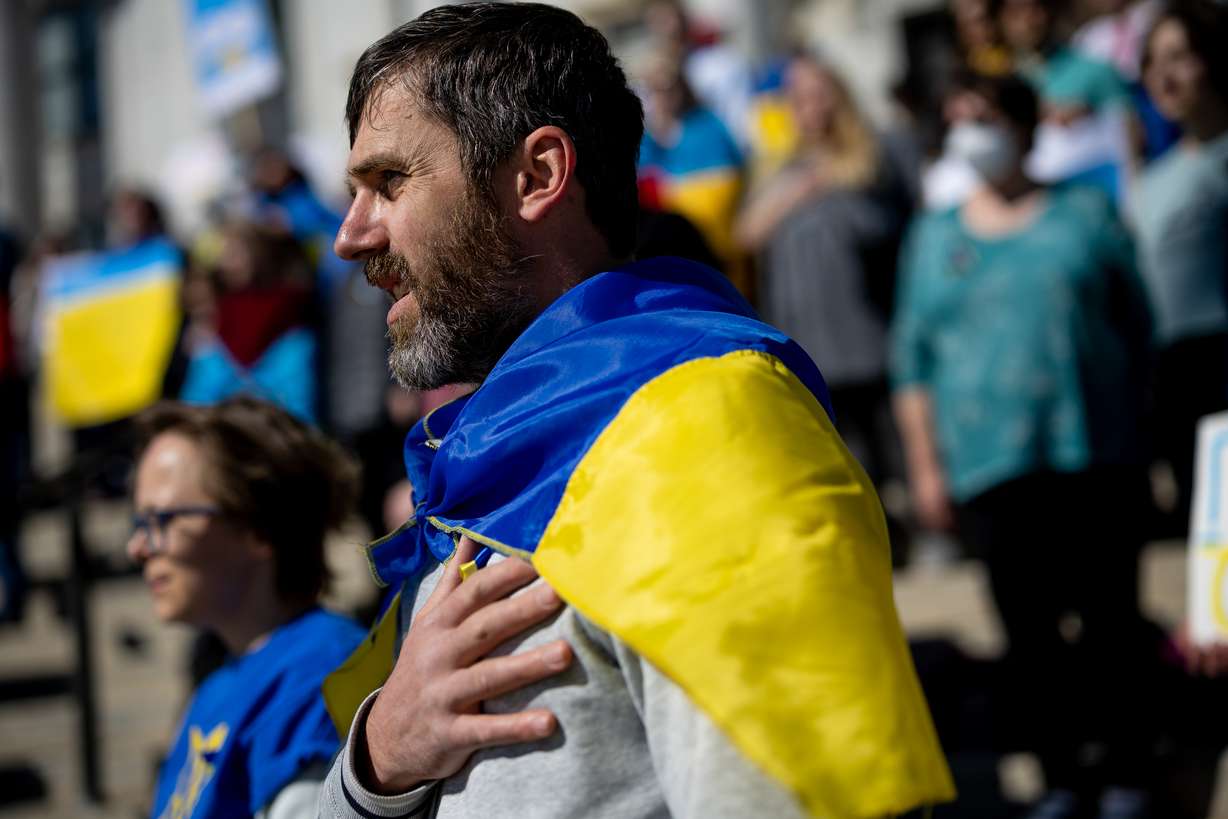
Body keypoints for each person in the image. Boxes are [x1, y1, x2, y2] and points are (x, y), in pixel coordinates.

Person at [318, 4, 954, 818]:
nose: (349, 235)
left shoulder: (711, 429)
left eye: (389, 182)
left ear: (537, 175)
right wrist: (378, 764)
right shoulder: (493, 446)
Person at [891, 74, 1156, 819]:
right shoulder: (936, 234)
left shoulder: (1086, 212)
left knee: (1112, 625)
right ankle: (1062, 778)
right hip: (989, 468)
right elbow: (913, 362)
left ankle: (1129, 773)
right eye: (957, 117)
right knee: (1030, 636)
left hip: (1095, 454)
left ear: (1024, 126)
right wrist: (925, 466)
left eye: (984, 115)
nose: (970, 131)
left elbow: (1138, 326)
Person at [128, 397, 365, 818]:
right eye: (139, 524)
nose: (138, 548)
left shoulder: (319, 672)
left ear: (257, 526)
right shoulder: (222, 680)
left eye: (162, 520)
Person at [735, 55, 911, 517]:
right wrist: (801, 189)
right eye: (797, 97)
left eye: (817, 93)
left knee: (893, 449)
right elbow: (746, 234)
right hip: (808, 343)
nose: (808, 106)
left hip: (872, 336)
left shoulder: (874, 156)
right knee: (845, 456)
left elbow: (895, 229)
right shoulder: (778, 169)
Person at [1131, 0, 1228, 536]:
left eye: (1179, 57)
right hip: (1175, 378)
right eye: (1152, 61)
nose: (1163, 75)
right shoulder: (1155, 173)